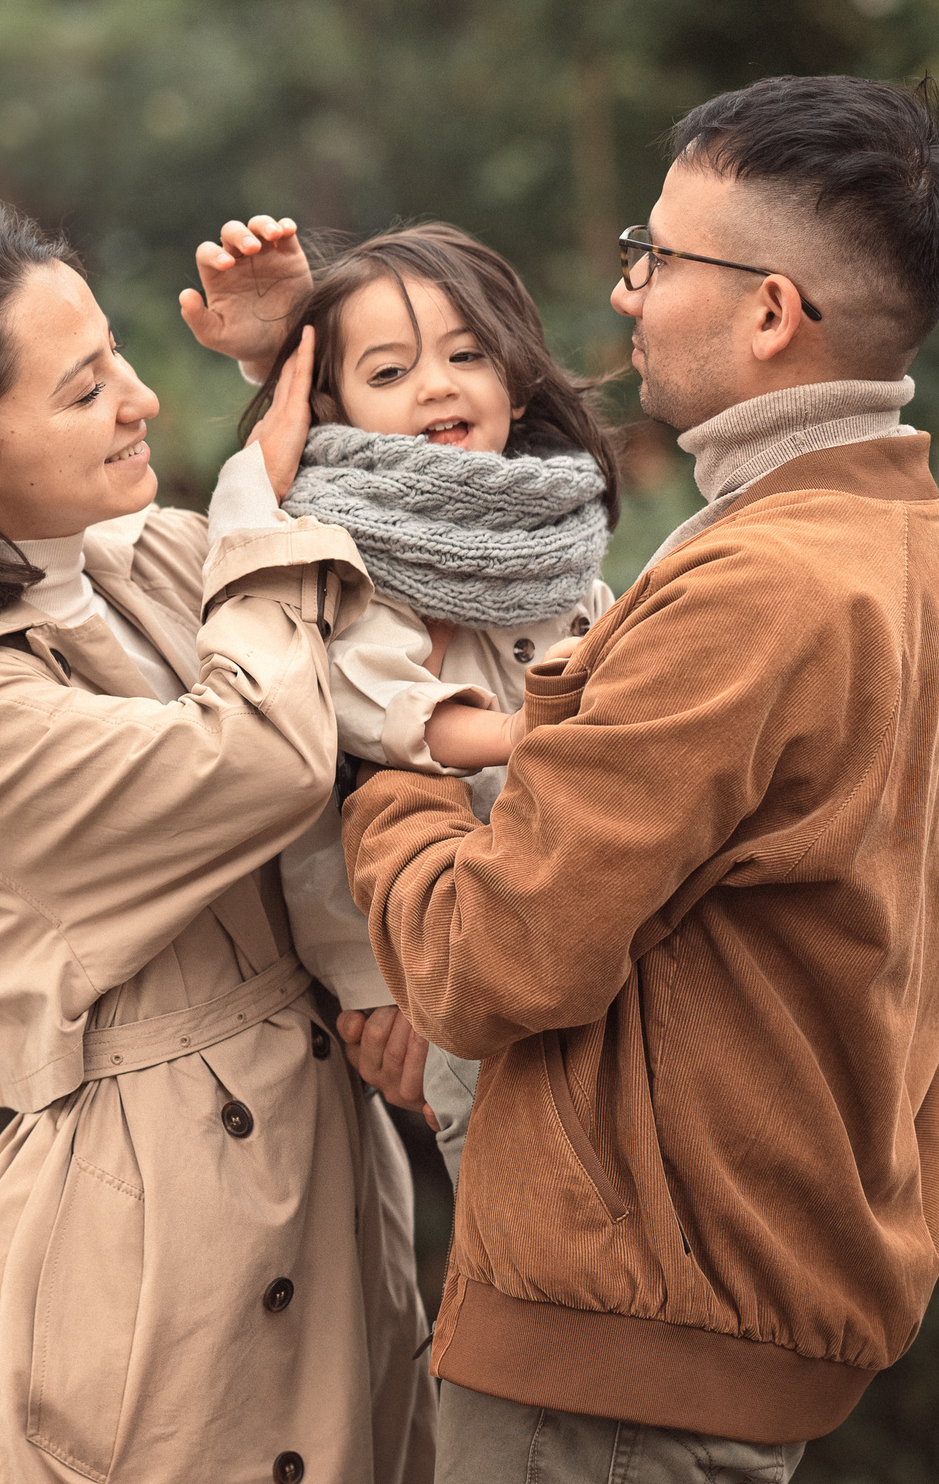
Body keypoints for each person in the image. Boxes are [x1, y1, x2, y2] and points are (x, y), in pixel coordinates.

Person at [338, 74, 939, 1483]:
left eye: (657, 257)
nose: (628, 292)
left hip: (614, 1362)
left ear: (768, 311)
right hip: (727, 1325)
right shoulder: (904, 546)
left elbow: (485, 960)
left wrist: (381, 756)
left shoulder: (755, 589)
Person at [0, 213, 434, 1484]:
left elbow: (351, 544)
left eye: (116, 358)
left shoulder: (126, 555)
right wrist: (252, 509)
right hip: (152, 1223)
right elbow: (263, 752)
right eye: (87, 386)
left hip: (317, 1156)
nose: (143, 400)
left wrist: (289, 350)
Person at [203, 224, 623, 1185]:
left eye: (466, 355)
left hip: (540, 906)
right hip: (400, 940)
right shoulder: (348, 537)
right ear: (334, 409)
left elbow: (596, 643)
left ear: (517, 382)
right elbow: (373, 699)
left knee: (586, 1144)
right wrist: (529, 735)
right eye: (389, 373)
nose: (436, 385)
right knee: (512, 1170)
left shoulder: (547, 529)